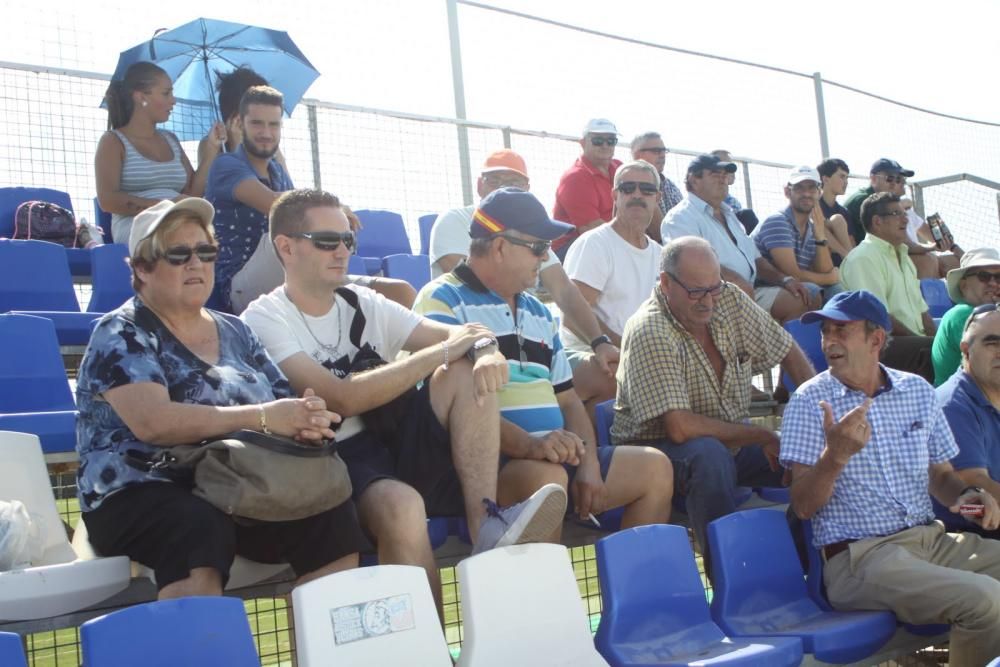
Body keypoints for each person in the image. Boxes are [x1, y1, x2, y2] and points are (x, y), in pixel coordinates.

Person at [242, 188, 567, 613]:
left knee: (465, 370)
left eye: (348, 240)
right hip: (327, 459)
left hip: (390, 441)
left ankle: (484, 522)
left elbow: (463, 336)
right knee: (404, 506)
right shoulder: (264, 317)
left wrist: (485, 349)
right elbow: (341, 399)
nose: (342, 251)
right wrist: (447, 351)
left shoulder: (363, 301)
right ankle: (428, 650)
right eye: (327, 241)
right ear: (285, 247)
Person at [75, 197, 363, 599]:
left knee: (331, 517)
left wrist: (306, 420)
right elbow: (154, 424)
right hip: (141, 487)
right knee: (198, 527)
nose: (197, 263)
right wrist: (263, 417)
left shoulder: (236, 330)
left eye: (206, 251)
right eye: (179, 254)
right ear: (141, 268)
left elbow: (282, 401)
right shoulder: (121, 331)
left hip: (237, 481)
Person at [415, 187, 674, 536]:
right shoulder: (440, 299)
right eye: (538, 248)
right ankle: (549, 590)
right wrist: (532, 446)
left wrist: (589, 463)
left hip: (555, 456)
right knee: (549, 483)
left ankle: (644, 589)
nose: (546, 258)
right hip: (494, 469)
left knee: (655, 468)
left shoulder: (538, 310)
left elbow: (568, 400)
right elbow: (451, 406)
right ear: (500, 247)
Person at [780, 290, 1000, 667]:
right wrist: (835, 457)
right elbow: (802, 505)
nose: (829, 341)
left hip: (929, 540)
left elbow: (941, 475)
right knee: (986, 600)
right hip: (859, 560)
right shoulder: (808, 401)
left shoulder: (916, 390)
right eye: (825, 332)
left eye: (841, 331)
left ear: (876, 339)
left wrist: (970, 493)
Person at [612, 236, 815, 567]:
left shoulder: (729, 298)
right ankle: (728, 574)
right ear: (665, 283)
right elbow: (680, 428)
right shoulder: (649, 329)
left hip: (728, 441)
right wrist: (762, 435)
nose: (708, 301)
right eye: (696, 291)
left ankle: (808, 561)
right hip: (659, 455)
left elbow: (786, 348)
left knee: (805, 451)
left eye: (714, 288)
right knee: (709, 456)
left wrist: (820, 416)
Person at [429, 149, 619, 388]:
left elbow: (564, 291)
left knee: (610, 373)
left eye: (514, 182)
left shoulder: (531, 236)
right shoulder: (455, 221)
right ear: (479, 185)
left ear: (527, 188)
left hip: (529, 331)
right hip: (474, 348)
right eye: (495, 180)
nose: (502, 188)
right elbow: (473, 278)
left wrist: (599, 342)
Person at [561, 160, 662, 419]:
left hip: (640, 358)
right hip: (587, 352)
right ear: (615, 195)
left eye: (646, 190)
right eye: (628, 188)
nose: (637, 195)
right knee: (618, 375)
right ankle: (594, 455)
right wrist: (628, 349)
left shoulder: (662, 256)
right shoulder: (595, 245)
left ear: (657, 197)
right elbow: (572, 318)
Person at [662, 154, 815, 323]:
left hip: (748, 291)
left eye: (725, 175)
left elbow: (757, 259)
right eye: (715, 174)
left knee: (805, 296)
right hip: (712, 298)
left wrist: (785, 280)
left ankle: (776, 347)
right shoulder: (680, 217)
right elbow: (691, 265)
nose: (723, 179)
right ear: (694, 179)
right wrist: (736, 284)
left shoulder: (730, 215)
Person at [96, 61, 226, 244]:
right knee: (181, 237)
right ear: (141, 97)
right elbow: (108, 200)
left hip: (177, 221)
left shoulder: (171, 140)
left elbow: (193, 192)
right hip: (135, 227)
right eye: (166, 93)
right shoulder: (112, 141)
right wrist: (165, 207)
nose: (173, 100)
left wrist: (212, 148)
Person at [205, 85, 294, 314]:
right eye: (257, 123)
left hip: (284, 280)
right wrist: (334, 207)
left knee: (390, 288)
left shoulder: (278, 173)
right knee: (297, 238)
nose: (266, 132)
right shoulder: (226, 165)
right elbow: (278, 206)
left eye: (273, 124)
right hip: (239, 286)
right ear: (240, 123)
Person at [840, 192, 937, 381]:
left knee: (953, 349)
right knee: (930, 352)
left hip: (909, 343)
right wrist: (926, 343)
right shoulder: (863, 258)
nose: (905, 220)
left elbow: (922, 312)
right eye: (896, 214)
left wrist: (941, 343)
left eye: (904, 213)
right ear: (877, 221)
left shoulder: (904, 257)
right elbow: (878, 318)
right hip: (875, 346)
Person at [935, 303, 1000, 537]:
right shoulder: (952, 405)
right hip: (968, 537)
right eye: (992, 343)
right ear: (966, 349)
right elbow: (974, 483)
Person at [844, 158, 960, 278]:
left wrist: (952, 247)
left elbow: (926, 236)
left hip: (892, 254)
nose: (897, 183)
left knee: (958, 263)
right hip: (873, 259)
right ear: (873, 179)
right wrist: (931, 248)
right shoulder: (865, 200)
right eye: (890, 179)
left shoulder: (902, 208)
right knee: (927, 262)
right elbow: (901, 244)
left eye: (900, 179)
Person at [751, 166, 841, 301]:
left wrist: (820, 236)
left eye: (812, 188)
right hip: (763, 288)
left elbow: (824, 270)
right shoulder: (778, 221)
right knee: (810, 292)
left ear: (819, 192)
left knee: (839, 291)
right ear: (787, 192)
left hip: (789, 286)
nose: (806, 193)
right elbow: (791, 273)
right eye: (799, 188)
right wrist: (829, 278)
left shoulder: (812, 227)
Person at [552, 118, 622, 260]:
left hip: (609, 239)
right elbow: (591, 229)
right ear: (583, 143)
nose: (605, 145)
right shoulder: (575, 178)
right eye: (597, 140)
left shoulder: (620, 168)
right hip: (571, 249)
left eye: (611, 141)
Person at [197, 66, 288, 170]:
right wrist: (236, 146)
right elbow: (232, 183)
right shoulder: (212, 145)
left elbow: (287, 184)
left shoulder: (265, 140)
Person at [932, 248, 1000, 385]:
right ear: (964, 285)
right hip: (961, 402)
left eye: (999, 277)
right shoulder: (963, 315)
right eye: (984, 276)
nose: (993, 283)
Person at [629, 132, 683, 241]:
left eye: (664, 150)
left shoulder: (670, 186)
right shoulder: (629, 185)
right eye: (656, 151)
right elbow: (660, 234)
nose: (662, 155)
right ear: (638, 155)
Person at [815, 158, 856, 263]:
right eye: (842, 177)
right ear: (825, 179)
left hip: (841, 267)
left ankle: (851, 262)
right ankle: (850, 261)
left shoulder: (843, 211)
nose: (846, 182)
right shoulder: (813, 206)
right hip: (822, 263)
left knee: (838, 220)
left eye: (847, 178)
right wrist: (846, 255)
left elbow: (851, 243)